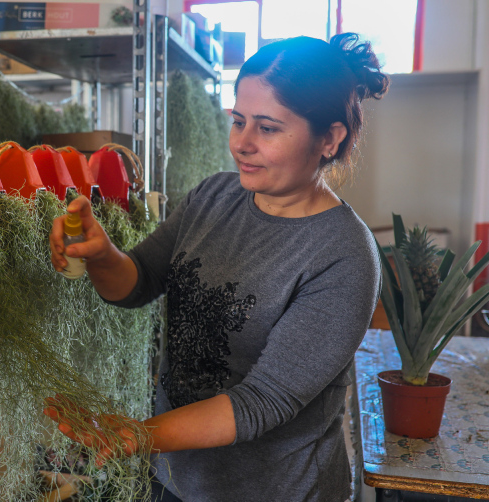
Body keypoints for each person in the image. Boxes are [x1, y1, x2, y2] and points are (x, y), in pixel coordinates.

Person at [45, 32, 390, 502]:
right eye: (238, 121)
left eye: (267, 128)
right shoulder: (213, 197)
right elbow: (138, 282)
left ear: (329, 138)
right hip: (176, 477)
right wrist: (102, 254)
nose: (242, 144)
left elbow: (261, 403)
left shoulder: (344, 255)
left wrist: (131, 436)